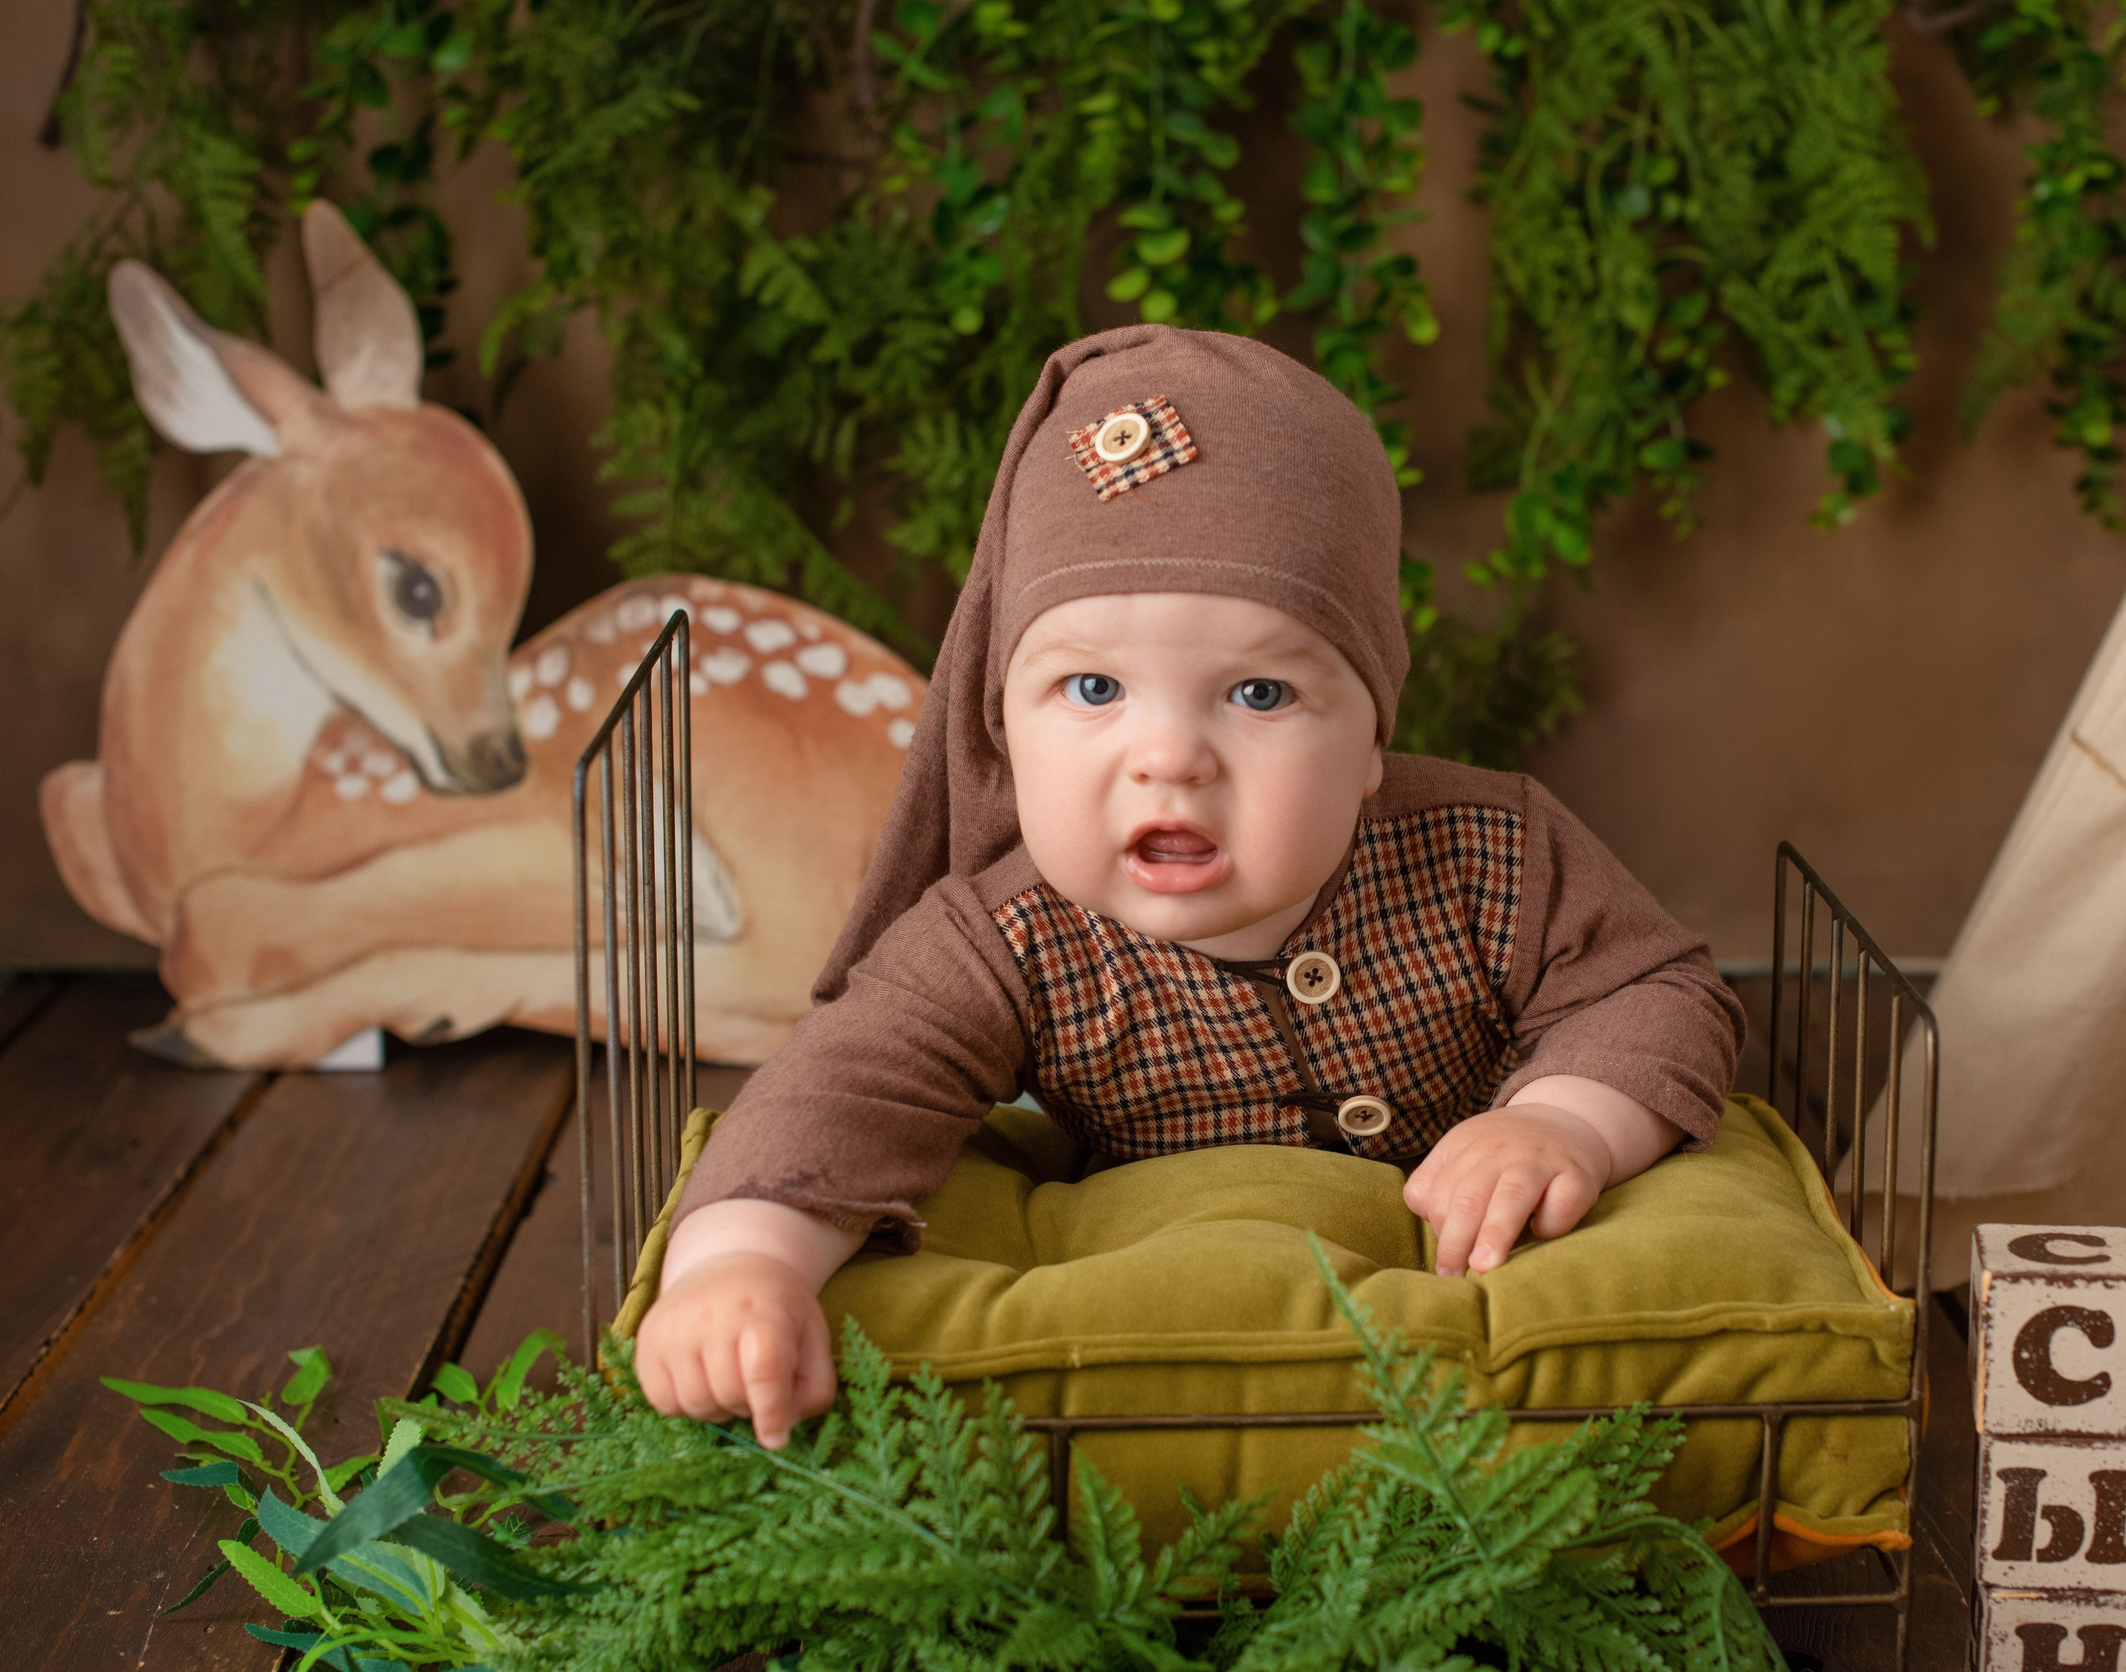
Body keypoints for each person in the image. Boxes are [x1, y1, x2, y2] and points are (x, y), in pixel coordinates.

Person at [636, 327, 1744, 1448]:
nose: (1169, 755)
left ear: (1370, 735)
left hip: (1450, 1353)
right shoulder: (1003, 939)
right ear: (1001, 728)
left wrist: (1564, 1124)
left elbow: (1653, 991)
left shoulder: (1487, 848)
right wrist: (741, 1262)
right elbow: (842, 1087)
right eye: (1090, 685)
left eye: (1259, 692)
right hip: (1196, 1359)